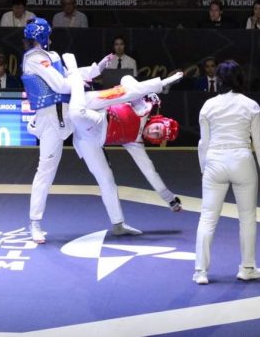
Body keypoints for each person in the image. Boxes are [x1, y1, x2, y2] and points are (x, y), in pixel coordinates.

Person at [65, 55, 184, 238]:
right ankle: (74, 74)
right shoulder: (142, 109)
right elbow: (127, 81)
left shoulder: (136, 143)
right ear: (158, 120)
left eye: (157, 136)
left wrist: (169, 199)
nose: (153, 133)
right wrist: (162, 84)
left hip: (90, 139)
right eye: (157, 129)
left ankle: (118, 224)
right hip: (93, 110)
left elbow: (150, 172)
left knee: (106, 180)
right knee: (80, 112)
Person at [20, 17, 109, 244]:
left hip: (70, 113)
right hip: (50, 120)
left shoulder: (51, 56)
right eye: (47, 35)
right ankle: (35, 222)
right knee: (46, 170)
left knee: (97, 139)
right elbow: (60, 85)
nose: (50, 38)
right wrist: (79, 83)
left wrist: (94, 70)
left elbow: (68, 75)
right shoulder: (34, 59)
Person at [194, 60, 260, 285]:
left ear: (218, 79)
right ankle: (247, 267)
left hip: (215, 162)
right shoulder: (251, 105)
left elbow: (203, 143)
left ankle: (200, 271)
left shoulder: (208, 105)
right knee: (247, 218)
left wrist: (204, 169)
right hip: (242, 162)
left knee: (207, 217)